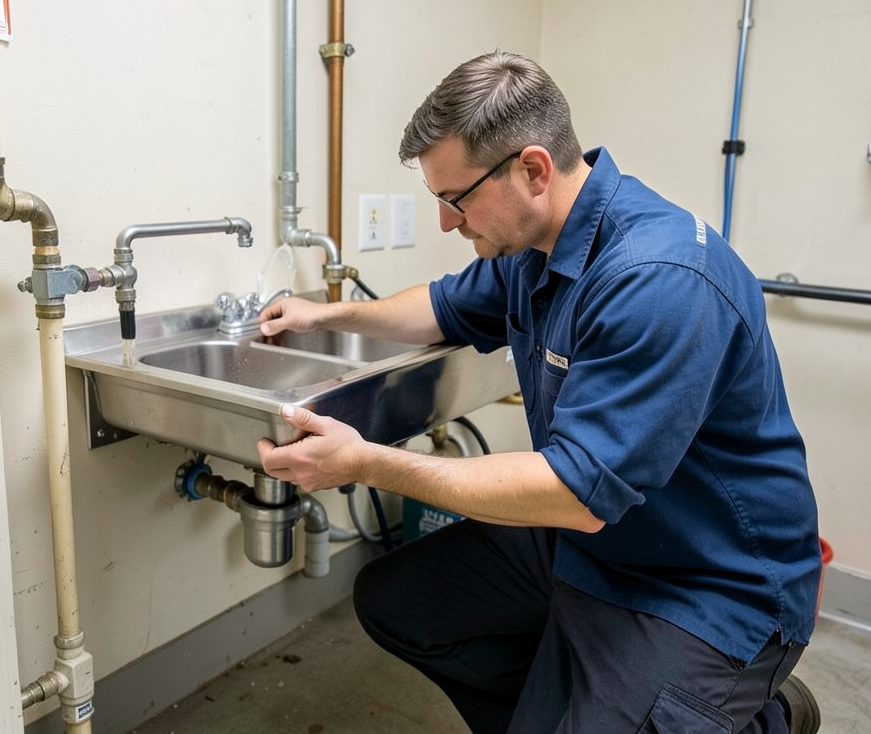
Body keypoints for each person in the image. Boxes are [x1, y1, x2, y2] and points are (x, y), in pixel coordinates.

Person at [256, 51, 822, 734]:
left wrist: (367, 462)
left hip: (707, 584)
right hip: (602, 542)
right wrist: (324, 314)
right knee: (396, 599)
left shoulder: (661, 278)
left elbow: (574, 496)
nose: (446, 223)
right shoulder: (536, 249)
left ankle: (756, 716)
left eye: (455, 199)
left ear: (532, 169)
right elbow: (437, 308)